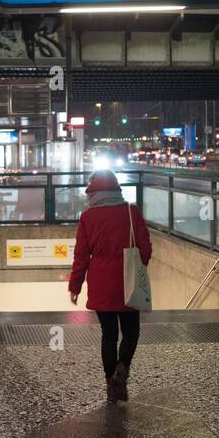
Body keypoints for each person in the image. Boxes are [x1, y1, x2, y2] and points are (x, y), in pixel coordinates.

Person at [69, 169, 151, 406]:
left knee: (109, 335)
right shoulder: (130, 210)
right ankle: (121, 373)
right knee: (131, 333)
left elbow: (81, 256)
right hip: (129, 284)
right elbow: (145, 248)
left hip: (101, 284)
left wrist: (75, 285)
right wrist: (137, 264)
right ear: (116, 189)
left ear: (92, 193)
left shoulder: (87, 217)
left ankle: (110, 385)